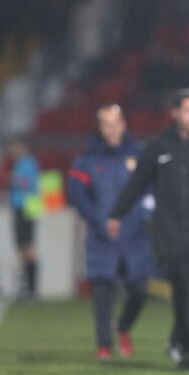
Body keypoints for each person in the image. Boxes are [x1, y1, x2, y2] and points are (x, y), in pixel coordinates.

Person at [107, 90, 189, 369]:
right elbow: (137, 182)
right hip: (171, 233)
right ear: (175, 113)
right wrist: (117, 213)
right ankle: (188, 349)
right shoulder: (159, 146)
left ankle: (179, 340)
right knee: (183, 288)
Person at [67, 105, 152, 360]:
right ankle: (104, 344)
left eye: (115, 123)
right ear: (100, 127)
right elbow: (77, 194)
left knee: (139, 289)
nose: (111, 129)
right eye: (106, 124)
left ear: (123, 125)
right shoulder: (87, 159)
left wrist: (146, 214)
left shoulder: (139, 154)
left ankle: (123, 327)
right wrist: (98, 220)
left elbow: (152, 187)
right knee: (103, 290)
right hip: (101, 235)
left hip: (134, 233)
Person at [7, 138, 40, 299]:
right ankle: (28, 286)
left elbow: (31, 184)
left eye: (15, 147)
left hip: (27, 208)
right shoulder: (20, 164)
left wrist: (14, 179)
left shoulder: (28, 163)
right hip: (20, 208)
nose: (12, 151)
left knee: (27, 247)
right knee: (23, 247)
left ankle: (31, 288)